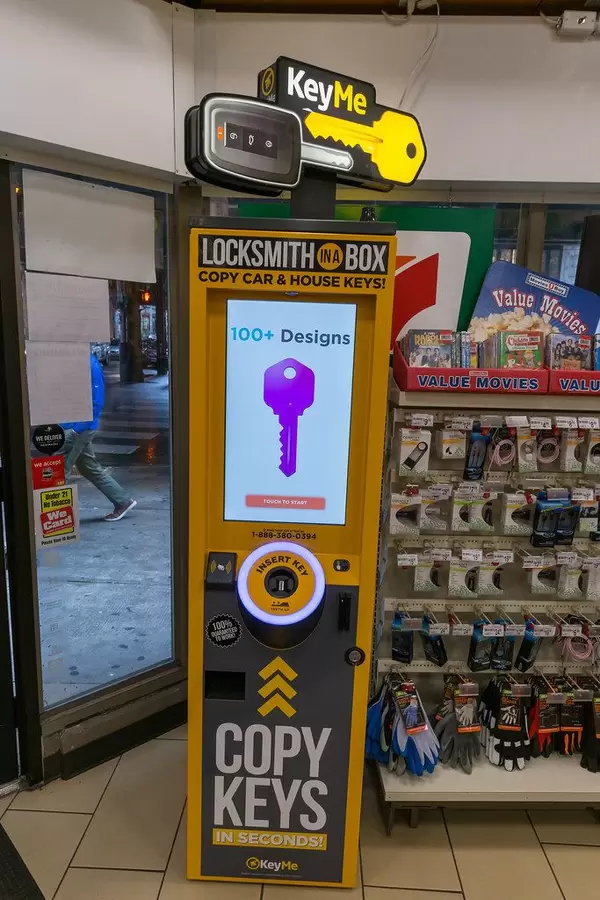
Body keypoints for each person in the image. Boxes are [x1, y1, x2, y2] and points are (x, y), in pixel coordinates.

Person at [61, 353, 136, 522]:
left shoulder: (89, 363)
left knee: (59, 472)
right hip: (75, 426)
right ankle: (122, 501)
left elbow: (96, 401)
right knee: (88, 467)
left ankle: (55, 520)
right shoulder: (73, 360)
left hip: (76, 428)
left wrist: (78, 429)